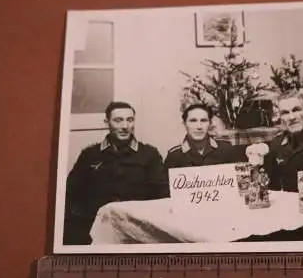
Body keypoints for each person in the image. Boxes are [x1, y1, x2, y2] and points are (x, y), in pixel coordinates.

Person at [64, 101, 169, 245]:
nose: (125, 126)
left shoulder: (149, 154)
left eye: (130, 120)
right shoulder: (90, 155)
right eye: (118, 120)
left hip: (137, 232)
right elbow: (71, 194)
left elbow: (161, 196)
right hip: (95, 231)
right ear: (107, 122)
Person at [164, 103, 240, 169]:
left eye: (203, 120)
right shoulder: (174, 156)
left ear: (210, 124)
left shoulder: (227, 149)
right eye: (193, 121)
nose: (199, 126)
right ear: (185, 124)